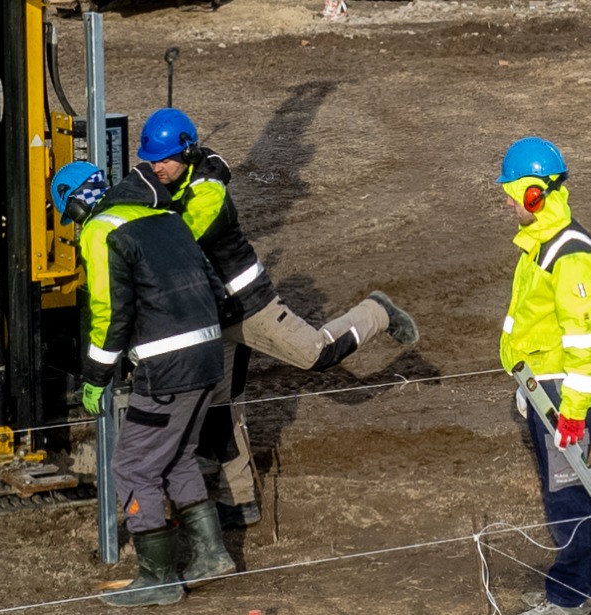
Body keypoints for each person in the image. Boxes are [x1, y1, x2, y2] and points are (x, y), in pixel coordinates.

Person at [134, 107, 419, 527]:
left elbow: (177, 241)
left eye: (164, 159)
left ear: (187, 152)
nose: (155, 167)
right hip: (213, 316)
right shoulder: (173, 182)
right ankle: (241, 499)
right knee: (220, 406)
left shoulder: (208, 195)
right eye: (150, 159)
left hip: (251, 307)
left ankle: (376, 311)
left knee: (316, 356)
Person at [55, 160, 236, 607]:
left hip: (166, 365)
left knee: (133, 467)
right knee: (175, 456)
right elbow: (213, 287)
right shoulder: (166, 216)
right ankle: (211, 556)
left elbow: (109, 311)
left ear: (78, 204)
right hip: (208, 354)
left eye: (70, 215)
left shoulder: (101, 230)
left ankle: (158, 579)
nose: (74, 225)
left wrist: (96, 376)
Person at [496, 136, 591, 615]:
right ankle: (571, 584)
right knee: (562, 491)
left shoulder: (569, 256)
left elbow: (587, 343)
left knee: (566, 497)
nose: (506, 203)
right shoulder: (542, 242)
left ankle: (572, 598)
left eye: (511, 194)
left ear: (534, 194)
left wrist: (573, 413)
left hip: (561, 395)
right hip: (542, 387)